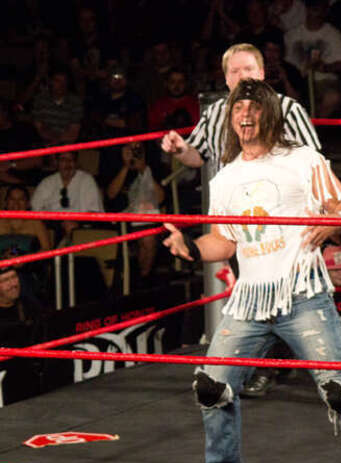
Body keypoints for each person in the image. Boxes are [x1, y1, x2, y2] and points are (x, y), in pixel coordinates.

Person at [162, 79, 341, 463]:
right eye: (237, 112)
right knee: (211, 385)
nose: (245, 118)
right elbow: (223, 243)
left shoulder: (302, 159)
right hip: (249, 300)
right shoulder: (226, 176)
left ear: (270, 114)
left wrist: (335, 223)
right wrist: (189, 247)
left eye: (254, 110)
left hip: (301, 291)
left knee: (340, 389)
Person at [161, 43, 320, 176]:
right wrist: (181, 149)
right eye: (235, 71)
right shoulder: (214, 113)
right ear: (226, 78)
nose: (242, 76)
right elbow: (197, 156)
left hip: (276, 204)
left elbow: (314, 162)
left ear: (261, 73)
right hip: (230, 206)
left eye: (248, 69)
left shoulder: (288, 108)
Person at [106, 142, 165, 284]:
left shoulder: (152, 167)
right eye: (130, 149)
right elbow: (111, 194)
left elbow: (161, 198)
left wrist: (143, 169)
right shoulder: (114, 164)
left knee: (148, 239)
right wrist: (126, 166)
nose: (134, 152)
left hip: (147, 218)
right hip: (122, 218)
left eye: (138, 149)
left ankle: (144, 279)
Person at [284, 0, 341, 118]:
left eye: (319, 8)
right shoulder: (291, 35)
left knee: (333, 98)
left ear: (325, 10)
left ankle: (310, 128)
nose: (315, 12)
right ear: (306, 9)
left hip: (324, 81)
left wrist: (324, 67)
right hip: (295, 80)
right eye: (312, 8)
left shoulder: (334, 34)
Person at [30, 151, 104, 240]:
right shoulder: (47, 182)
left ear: (76, 163)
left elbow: (94, 213)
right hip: (52, 225)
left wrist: (77, 223)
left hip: (80, 225)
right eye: (63, 160)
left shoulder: (86, 180)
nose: (68, 164)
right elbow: (35, 210)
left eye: (71, 160)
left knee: (71, 227)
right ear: (57, 162)